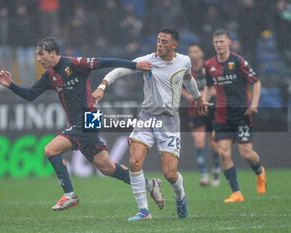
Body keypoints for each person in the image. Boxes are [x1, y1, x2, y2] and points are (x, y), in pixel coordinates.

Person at [0, 37, 164, 211]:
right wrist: (11, 85)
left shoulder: (76, 63)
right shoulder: (49, 75)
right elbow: (30, 95)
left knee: (50, 150)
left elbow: (106, 61)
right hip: (79, 123)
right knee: (107, 168)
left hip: (89, 118)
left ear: (53, 53)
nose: (38, 59)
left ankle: (69, 195)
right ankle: (150, 184)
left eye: (41, 54)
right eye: (37, 55)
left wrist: (134, 66)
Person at [93, 28, 211, 221]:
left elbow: (189, 80)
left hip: (170, 121)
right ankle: (144, 211)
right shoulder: (148, 61)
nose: (160, 45)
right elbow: (120, 70)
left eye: (165, 41)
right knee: (134, 161)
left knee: (169, 173)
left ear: (174, 45)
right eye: (158, 40)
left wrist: (197, 98)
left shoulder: (184, 61)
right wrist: (102, 86)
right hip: (147, 118)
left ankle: (180, 196)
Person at [203, 29, 267, 203]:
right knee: (223, 153)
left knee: (246, 154)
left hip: (241, 113)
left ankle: (259, 171)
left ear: (229, 42)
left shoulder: (239, 61)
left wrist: (254, 105)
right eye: (216, 42)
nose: (218, 45)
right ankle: (236, 192)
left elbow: (256, 82)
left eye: (222, 41)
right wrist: (202, 101)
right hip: (221, 115)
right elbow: (209, 86)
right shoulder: (209, 65)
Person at [182, 43, 221, 186]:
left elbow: (218, 87)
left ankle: (216, 168)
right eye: (190, 51)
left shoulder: (210, 68)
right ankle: (204, 174)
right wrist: (189, 96)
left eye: (195, 51)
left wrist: (205, 95)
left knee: (214, 144)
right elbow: (180, 88)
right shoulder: (185, 70)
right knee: (199, 141)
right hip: (195, 109)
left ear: (201, 53)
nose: (192, 54)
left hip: (211, 108)